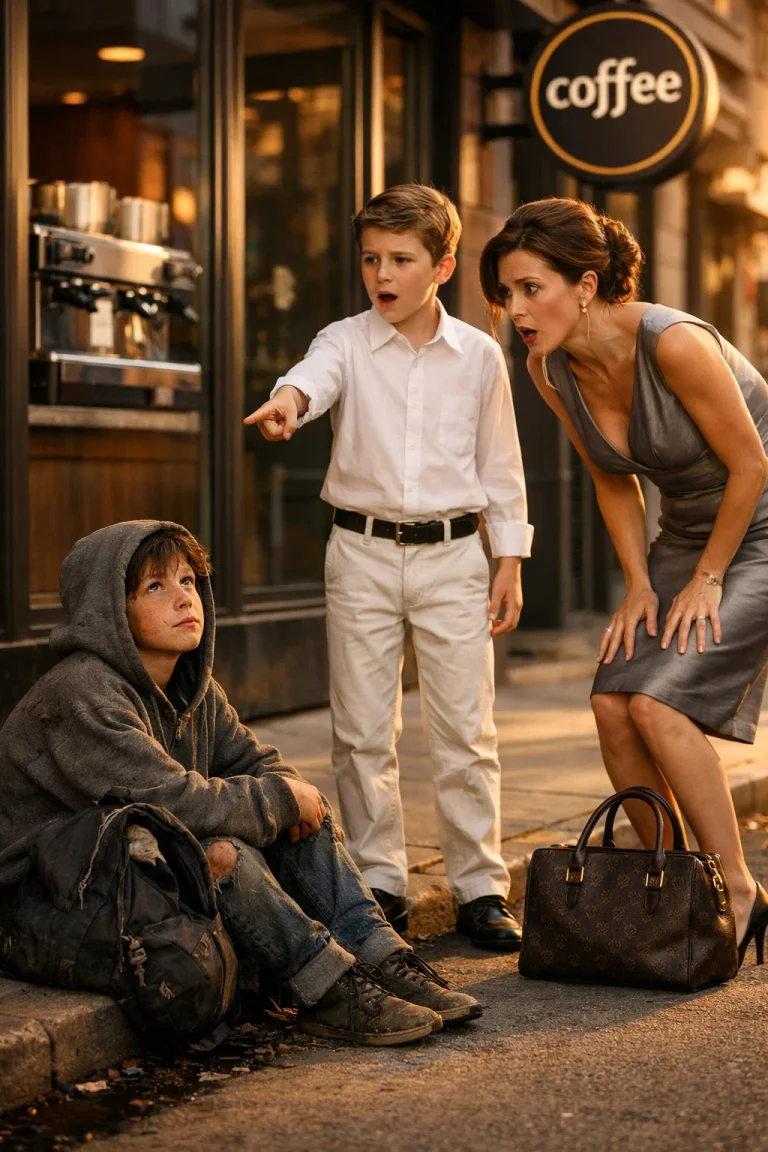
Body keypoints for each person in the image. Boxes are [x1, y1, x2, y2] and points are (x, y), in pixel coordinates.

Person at [0, 520, 482, 1043]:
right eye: (156, 587)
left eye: (188, 581)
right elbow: (172, 803)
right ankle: (326, 992)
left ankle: (381, 960)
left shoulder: (196, 689)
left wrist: (293, 798)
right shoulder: (80, 694)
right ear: (109, 613)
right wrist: (280, 798)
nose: (184, 599)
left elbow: (259, 764)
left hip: (130, 873)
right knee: (227, 849)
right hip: (45, 898)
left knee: (301, 815)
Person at [479, 196, 768, 967]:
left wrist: (707, 579)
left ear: (586, 282)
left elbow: (752, 465)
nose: (517, 311)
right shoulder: (549, 369)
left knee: (658, 707)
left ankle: (738, 889)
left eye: (530, 288)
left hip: (759, 526)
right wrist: (639, 582)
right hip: (684, 536)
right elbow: (612, 479)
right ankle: (679, 890)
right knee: (611, 706)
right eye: (506, 295)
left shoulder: (672, 344)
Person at [244, 184, 534, 951]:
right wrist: (288, 403)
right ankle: (380, 884)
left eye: (402, 259)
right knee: (363, 731)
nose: (384, 273)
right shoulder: (343, 338)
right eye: (372, 258)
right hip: (362, 555)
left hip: (453, 561)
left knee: (466, 731)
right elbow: (312, 376)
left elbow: (501, 467)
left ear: (441, 265)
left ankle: (481, 887)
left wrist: (509, 561)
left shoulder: (480, 355)